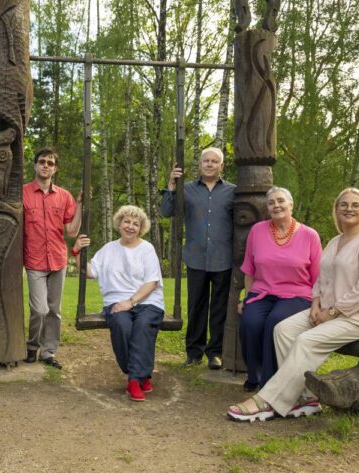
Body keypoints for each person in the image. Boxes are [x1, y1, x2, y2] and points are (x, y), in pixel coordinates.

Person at [227, 188, 359, 421]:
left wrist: (332, 312)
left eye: (355, 205)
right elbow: (321, 279)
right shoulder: (336, 241)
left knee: (305, 341)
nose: (349, 209)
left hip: (358, 317)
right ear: (336, 210)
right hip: (326, 309)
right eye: (343, 205)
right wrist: (315, 303)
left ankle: (267, 400)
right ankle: (304, 398)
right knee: (283, 330)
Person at [73, 206, 165, 402]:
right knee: (122, 326)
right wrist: (77, 251)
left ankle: (134, 380)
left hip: (147, 300)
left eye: (135, 224)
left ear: (141, 229)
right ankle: (142, 374)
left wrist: (130, 302)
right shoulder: (108, 249)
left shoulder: (147, 249)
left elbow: (152, 282)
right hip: (116, 301)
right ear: (119, 224)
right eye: (127, 222)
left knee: (142, 325)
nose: (130, 226)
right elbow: (90, 272)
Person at [238, 187, 322, 392]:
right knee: (250, 322)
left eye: (281, 201)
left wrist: (318, 304)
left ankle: (270, 383)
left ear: (291, 205)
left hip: (297, 295)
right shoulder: (257, 231)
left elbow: (319, 276)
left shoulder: (310, 235)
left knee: (275, 322)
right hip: (262, 292)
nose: (276, 205)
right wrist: (247, 298)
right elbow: (249, 269)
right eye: (271, 202)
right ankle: (254, 376)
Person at [160, 147, 235, 369]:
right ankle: (194, 353)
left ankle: (215, 353)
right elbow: (166, 211)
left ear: (221, 166)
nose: (210, 164)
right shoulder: (188, 189)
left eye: (214, 161)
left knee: (219, 308)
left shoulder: (233, 191)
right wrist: (171, 186)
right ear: (200, 164)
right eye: (206, 161)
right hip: (196, 258)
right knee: (196, 307)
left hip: (224, 258)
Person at [23, 147, 82, 369]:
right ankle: (32, 345)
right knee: (39, 309)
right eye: (42, 161)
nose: (45, 165)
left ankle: (48, 352)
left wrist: (80, 205)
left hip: (58, 260)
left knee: (54, 311)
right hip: (34, 259)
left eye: (50, 162)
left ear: (55, 169)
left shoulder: (65, 196)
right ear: (35, 165)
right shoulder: (23, 193)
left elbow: (72, 231)